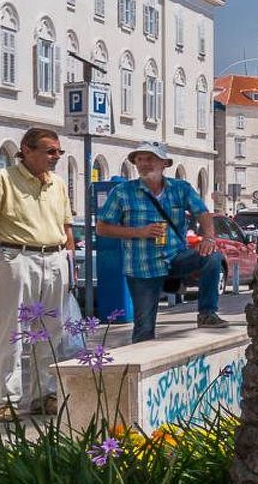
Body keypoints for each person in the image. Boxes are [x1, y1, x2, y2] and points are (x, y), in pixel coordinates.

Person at [0, 127, 78, 420]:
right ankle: (5, 401)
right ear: (26, 149)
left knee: (51, 331)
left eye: (59, 151)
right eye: (50, 151)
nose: (56, 157)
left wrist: (70, 263)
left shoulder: (58, 183)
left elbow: (66, 227)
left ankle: (44, 395)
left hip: (55, 258)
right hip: (16, 257)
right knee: (11, 331)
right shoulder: (2, 179)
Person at [96, 141, 228, 342]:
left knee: (213, 256)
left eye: (150, 159)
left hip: (175, 257)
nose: (144, 164)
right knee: (144, 329)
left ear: (164, 163)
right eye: (139, 159)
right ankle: (143, 356)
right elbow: (102, 228)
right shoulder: (122, 192)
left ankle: (207, 313)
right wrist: (139, 232)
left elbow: (202, 212)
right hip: (142, 267)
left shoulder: (180, 188)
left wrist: (209, 237)